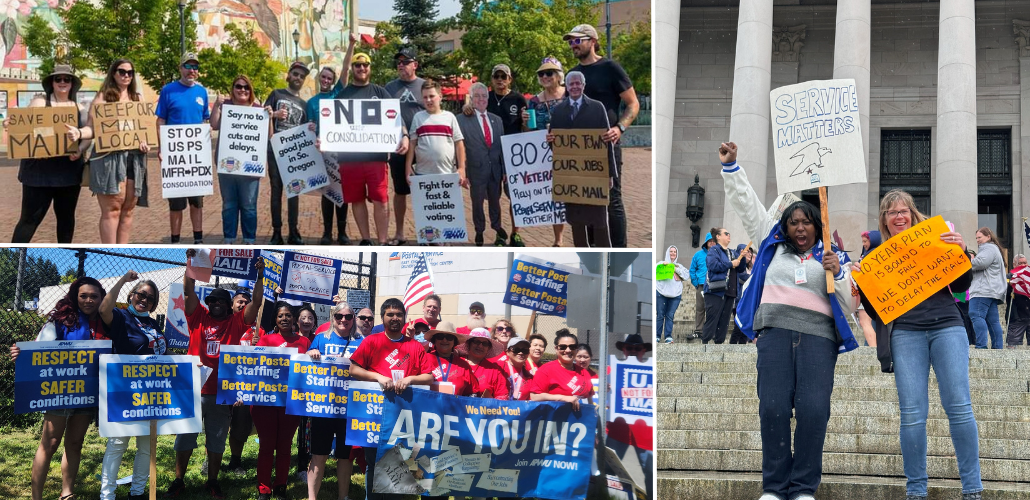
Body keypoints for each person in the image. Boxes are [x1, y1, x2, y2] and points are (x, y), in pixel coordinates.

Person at [719, 141, 860, 500]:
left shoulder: (832, 255)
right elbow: (747, 204)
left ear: (817, 226)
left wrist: (838, 273)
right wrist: (732, 167)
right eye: (793, 222)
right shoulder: (771, 244)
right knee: (773, 408)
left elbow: (852, 302)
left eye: (807, 222)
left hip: (818, 340)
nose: (800, 228)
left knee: (814, 411)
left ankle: (802, 488)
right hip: (775, 336)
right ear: (785, 226)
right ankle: (775, 487)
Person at [855, 189, 982, 500]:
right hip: (906, 333)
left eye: (904, 211)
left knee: (960, 408)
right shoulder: (875, 259)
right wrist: (863, 290)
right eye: (892, 212)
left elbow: (963, 285)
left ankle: (973, 490)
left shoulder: (939, 239)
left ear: (913, 215)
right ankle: (916, 491)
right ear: (884, 220)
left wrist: (963, 253)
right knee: (912, 414)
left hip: (947, 326)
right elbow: (876, 311)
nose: (899, 216)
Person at [166, 252, 264, 498]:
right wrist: (190, 265)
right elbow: (188, 292)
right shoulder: (198, 317)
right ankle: (179, 480)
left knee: (217, 438)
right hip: (195, 388)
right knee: (185, 436)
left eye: (222, 301)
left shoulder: (237, 322)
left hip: (222, 392)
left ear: (229, 305)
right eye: (213, 301)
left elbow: (257, 302)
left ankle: (212, 481)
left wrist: (260, 275)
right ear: (208, 303)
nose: (217, 304)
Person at [9, 277, 106, 500]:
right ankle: (36, 497)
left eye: (94, 296)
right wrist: (21, 356)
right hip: (59, 393)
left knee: (75, 443)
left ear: (102, 298)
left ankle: (67, 493)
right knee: (50, 443)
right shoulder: (61, 321)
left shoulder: (107, 321)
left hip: (87, 393)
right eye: (83, 296)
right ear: (75, 296)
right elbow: (38, 352)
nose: (89, 300)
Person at [348, 298, 434, 500]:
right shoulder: (371, 341)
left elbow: (429, 377)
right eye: (390, 314)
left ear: (404, 318)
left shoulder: (414, 346)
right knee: (374, 461)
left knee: (400, 462)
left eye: (399, 314)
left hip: (404, 417)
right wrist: (378, 377)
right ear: (383, 317)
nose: (395, 318)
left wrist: (410, 379)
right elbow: (353, 369)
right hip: (375, 415)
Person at [566, 23, 639, 248]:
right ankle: (593, 251)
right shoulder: (572, 75)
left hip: (605, 145)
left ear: (593, 41)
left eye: (577, 40)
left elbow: (633, 104)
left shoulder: (610, 67)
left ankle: (619, 250)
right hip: (578, 149)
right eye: (570, 42)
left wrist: (619, 128)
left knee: (611, 200)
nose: (573, 45)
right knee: (585, 200)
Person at [98, 271, 165, 500]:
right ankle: (107, 495)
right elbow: (103, 310)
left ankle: (137, 493)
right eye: (141, 294)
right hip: (125, 392)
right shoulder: (121, 317)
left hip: (151, 395)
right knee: (118, 444)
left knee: (146, 447)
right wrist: (122, 280)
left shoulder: (154, 324)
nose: (144, 299)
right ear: (131, 295)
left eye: (150, 298)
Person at [334, 49, 409, 246]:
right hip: (349, 159)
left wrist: (405, 136)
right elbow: (332, 122)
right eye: (357, 65)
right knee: (356, 200)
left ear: (369, 68)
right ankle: (366, 239)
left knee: (381, 200)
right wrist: (322, 138)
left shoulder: (380, 92)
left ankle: (382, 241)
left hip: (376, 158)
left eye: (365, 65)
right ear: (353, 68)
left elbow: (396, 119)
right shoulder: (343, 94)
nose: (361, 68)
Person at [70, 59, 149, 244]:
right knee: (112, 209)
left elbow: (145, 131)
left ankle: (123, 249)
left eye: (130, 72)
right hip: (108, 159)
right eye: (122, 72)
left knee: (128, 209)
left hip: (134, 159)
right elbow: (92, 129)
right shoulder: (103, 97)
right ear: (113, 73)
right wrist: (79, 134)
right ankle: (111, 248)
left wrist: (147, 143)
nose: (126, 76)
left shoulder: (137, 99)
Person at [9, 65, 88, 243]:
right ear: (51, 82)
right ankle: (14, 256)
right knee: (29, 220)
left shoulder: (79, 108)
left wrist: (80, 149)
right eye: (57, 79)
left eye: (66, 79)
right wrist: (11, 124)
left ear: (72, 84)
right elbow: (24, 128)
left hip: (68, 173)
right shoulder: (39, 102)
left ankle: (67, 252)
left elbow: (88, 133)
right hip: (38, 174)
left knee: (66, 219)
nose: (62, 82)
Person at [546, 70, 616, 247]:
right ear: (567, 87)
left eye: (578, 83)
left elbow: (607, 143)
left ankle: (603, 253)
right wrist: (550, 141)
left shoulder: (597, 107)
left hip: (595, 176)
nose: (575, 86)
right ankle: (583, 252)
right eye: (572, 84)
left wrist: (610, 174)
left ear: (583, 86)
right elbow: (556, 145)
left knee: (599, 220)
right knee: (576, 221)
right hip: (571, 177)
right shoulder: (559, 110)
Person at [251, 302, 311, 499]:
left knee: (285, 447)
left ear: (294, 319)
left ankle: (280, 486)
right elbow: (254, 368)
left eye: (288, 315)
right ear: (275, 320)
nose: (284, 318)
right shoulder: (265, 340)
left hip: (291, 403)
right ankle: (264, 488)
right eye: (280, 316)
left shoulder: (304, 343)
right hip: (265, 403)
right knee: (266, 446)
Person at [304, 301, 363, 500]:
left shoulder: (361, 341)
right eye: (339, 316)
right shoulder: (321, 338)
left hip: (350, 407)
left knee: (345, 456)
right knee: (319, 454)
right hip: (323, 407)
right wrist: (310, 353)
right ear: (333, 318)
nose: (343, 320)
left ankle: (343, 496)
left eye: (348, 316)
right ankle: (312, 497)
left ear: (353, 319)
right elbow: (305, 367)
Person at [156, 53, 210, 244]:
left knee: (197, 202)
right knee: (176, 204)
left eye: (195, 67)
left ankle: (198, 239)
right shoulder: (168, 90)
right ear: (181, 68)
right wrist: (162, 147)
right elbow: (161, 120)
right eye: (188, 66)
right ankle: (175, 240)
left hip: (196, 158)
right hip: (175, 157)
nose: (192, 70)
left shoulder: (202, 92)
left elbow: (204, 119)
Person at [211, 75, 270, 245]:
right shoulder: (226, 106)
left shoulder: (258, 109)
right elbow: (214, 125)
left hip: (250, 168)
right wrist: (216, 104)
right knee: (229, 205)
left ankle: (249, 239)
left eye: (246, 87)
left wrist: (270, 117)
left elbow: (269, 135)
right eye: (238, 86)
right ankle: (229, 238)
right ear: (233, 88)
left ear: (250, 90)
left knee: (249, 206)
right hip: (227, 167)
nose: (242, 90)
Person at [406, 79, 469, 217]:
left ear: (440, 97)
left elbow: (459, 143)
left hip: (447, 174)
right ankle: (431, 238)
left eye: (432, 96)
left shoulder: (450, 117)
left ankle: (442, 238)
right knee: (427, 213)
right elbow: (412, 143)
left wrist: (462, 168)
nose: (428, 100)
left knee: (446, 213)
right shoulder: (418, 117)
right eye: (425, 97)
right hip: (423, 174)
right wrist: (408, 166)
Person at [523, 56, 567, 246]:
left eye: (549, 72)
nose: (545, 76)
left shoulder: (570, 96)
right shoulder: (533, 101)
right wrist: (524, 122)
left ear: (559, 75)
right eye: (542, 73)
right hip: (543, 157)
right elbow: (528, 133)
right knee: (555, 198)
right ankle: (558, 239)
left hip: (569, 154)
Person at [265, 61, 310, 245]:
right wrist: (273, 115)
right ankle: (277, 232)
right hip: (275, 151)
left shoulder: (304, 104)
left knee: (294, 193)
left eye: (301, 76)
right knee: (276, 191)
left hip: (294, 154)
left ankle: (293, 232)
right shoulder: (276, 94)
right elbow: (263, 116)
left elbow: (306, 130)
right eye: (295, 74)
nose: (298, 78)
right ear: (289, 75)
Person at [385, 47, 426, 245]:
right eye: (398, 62)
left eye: (405, 61)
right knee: (400, 191)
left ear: (415, 65)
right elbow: (384, 116)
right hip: (399, 148)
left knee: (424, 191)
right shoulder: (389, 88)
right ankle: (400, 233)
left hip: (423, 148)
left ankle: (427, 233)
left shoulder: (425, 86)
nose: (400, 65)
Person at [456, 83, 506, 246]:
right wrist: (462, 171)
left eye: (484, 96)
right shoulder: (462, 120)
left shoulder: (497, 120)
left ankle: (497, 225)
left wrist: (504, 170)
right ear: (471, 98)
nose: (481, 99)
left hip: (495, 170)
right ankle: (479, 230)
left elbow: (502, 147)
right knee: (477, 202)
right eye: (477, 96)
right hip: (476, 169)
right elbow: (458, 146)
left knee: (495, 200)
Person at [308, 63, 351, 246]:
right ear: (319, 78)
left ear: (333, 81)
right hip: (323, 152)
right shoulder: (311, 102)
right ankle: (327, 232)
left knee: (342, 192)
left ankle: (342, 233)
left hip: (341, 151)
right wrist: (311, 128)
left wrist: (350, 44)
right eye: (323, 77)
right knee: (327, 193)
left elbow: (346, 70)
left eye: (329, 78)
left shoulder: (337, 94)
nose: (326, 80)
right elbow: (310, 127)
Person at [226, 290, 263, 475]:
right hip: (223, 384)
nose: (243, 305)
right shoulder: (224, 323)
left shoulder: (259, 331)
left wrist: (260, 345)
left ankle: (235, 460)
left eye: (247, 302)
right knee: (216, 426)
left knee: (240, 425)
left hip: (245, 387)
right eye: (240, 302)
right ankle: (210, 461)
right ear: (232, 304)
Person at [528, 330, 594, 411]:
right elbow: (534, 396)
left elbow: (590, 400)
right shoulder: (546, 370)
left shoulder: (584, 372)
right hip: (556, 420)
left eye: (572, 347)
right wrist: (562, 398)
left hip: (581, 420)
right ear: (556, 349)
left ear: (576, 349)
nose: (568, 350)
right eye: (563, 347)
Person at [702, 227, 746, 345]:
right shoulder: (714, 251)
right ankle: (705, 342)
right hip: (715, 290)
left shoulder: (732, 252)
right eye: (726, 233)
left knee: (725, 320)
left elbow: (741, 269)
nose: (729, 235)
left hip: (730, 291)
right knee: (713, 317)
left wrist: (742, 258)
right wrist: (730, 263)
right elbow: (713, 266)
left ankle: (719, 343)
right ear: (718, 236)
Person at [968, 227, 1007, 349]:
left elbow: (980, 263)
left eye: (979, 237)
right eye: (976, 238)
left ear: (988, 236)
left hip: (983, 290)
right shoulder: (993, 249)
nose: (977, 240)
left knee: (976, 314)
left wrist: (967, 262)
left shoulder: (988, 248)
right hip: (991, 290)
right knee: (993, 321)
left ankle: (981, 346)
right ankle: (997, 348)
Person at [423, 322, 475, 395]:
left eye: (449, 337)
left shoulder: (463, 366)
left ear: (454, 342)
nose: (444, 340)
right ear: (435, 340)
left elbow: (472, 393)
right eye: (440, 337)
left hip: (454, 405)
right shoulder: (424, 359)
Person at [459, 328, 510, 399]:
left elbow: (502, 397)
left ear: (488, 348)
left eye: (485, 344)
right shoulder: (456, 363)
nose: (480, 346)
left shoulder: (494, 371)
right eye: (476, 342)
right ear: (469, 343)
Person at [656, 245, 690, 343]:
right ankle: (657, 336)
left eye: (674, 252)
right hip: (661, 293)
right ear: (667, 252)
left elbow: (686, 275)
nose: (673, 253)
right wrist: (665, 266)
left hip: (675, 295)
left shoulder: (679, 266)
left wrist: (674, 268)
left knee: (670, 315)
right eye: (671, 251)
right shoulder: (660, 264)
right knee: (660, 315)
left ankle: (668, 336)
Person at [854, 230, 883, 346]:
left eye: (866, 241)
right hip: (869, 293)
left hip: (868, 292)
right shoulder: (870, 254)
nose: (864, 244)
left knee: (865, 321)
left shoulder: (872, 255)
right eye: (863, 241)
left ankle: (873, 350)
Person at [689, 233, 714, 339]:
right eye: (710, 241)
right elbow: (692, 269)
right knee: (700, 308)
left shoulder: (719, 254)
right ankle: (699, 330)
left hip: (714, 285)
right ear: (706, 243)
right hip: (701, 285)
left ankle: (709, 331)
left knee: (712, 309)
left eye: (714, 241)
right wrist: (695, 282)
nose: (712, 243)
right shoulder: (698, 255)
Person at [728, 244, 754, 345]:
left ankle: (742, 345)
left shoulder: (751, 268)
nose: (749, 254)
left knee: (745, 324)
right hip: (738, 300)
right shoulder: (738, 267)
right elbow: (743, 277)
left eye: (750, 252)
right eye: (746, 251)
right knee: (739, 325)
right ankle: (733, 345)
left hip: (747, 300)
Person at [1007, 254, 1030, 348]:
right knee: (1012, 346)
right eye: (1020, 263)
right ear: (1014, 264)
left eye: (1025, 263)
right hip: (1016, 316)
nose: (1023, 265)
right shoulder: (1009, 277)